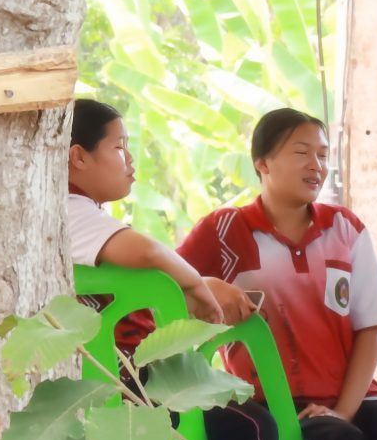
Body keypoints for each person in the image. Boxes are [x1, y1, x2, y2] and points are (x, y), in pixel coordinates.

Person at [179, 107, 377, 440]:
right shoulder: (224, 231)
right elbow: (168, 288)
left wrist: (342, 411)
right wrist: (208, 285)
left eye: (322, 155)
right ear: (263, 163)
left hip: (354, 399)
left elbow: (370, 330)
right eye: (302, 153)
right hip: (273, 404)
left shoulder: (345, 228)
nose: (316, 166)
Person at [66, 97, 250, 330]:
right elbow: (149, 252)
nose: (130, 158)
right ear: (79, 157)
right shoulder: (70, 209)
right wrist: (196, 285)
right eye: (119, 147)